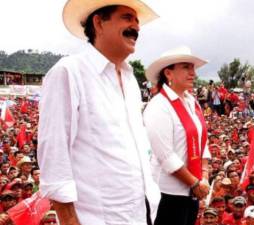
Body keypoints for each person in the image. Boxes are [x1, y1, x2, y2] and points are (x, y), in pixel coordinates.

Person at [37, 1, 160, 225]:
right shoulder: (69, 72)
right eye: (127, 18)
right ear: (99, 23)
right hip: (98, 218)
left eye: (137, 20)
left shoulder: (131, 80)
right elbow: (54, 159)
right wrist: (69, 220)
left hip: (141, 214)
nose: (136, 27)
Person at [143, 46, 210, 225]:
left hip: (193, 191)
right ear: (168, 73)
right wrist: (195, 183)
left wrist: (204, 175)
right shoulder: (159, 106)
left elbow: (203, 142)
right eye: (186, 67)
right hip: (168, 194)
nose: (193, 73)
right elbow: (165, 155)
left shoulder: (192, 102)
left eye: (193, 68)